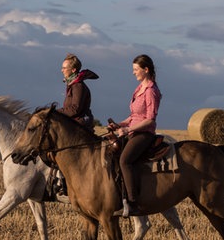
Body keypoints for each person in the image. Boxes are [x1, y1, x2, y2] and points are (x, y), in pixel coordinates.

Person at [108, 54, 161, 217]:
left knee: (125, 160)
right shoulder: (139, 89)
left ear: (146, 70)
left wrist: (128, 130)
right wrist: (120, 124)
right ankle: (117, 196)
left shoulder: (151, 91)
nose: (133, 73)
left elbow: (150, 120)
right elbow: (133, 115)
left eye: (136, 69)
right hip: (133, 130)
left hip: (144, 134)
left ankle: (132, 203)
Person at [54, 53, 99, 198]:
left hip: (79, 126)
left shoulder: (78, 86)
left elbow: (75, 109)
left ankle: (64, 183)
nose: (62, 70)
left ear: (73, 70)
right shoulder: (72, 85)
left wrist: (55, 113)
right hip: (74, 124)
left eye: (64, 67)